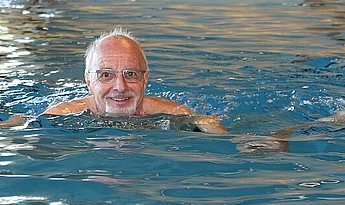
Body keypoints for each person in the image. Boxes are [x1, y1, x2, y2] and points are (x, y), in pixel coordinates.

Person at [42, 28, 228, 134]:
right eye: (106, 75)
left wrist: (244, 142)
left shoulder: (173, 113)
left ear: (145, 79)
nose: (120, 87)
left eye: (130, 74)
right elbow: (24, 124)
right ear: (89, 81)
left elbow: (215, 129)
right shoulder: (63, 114)